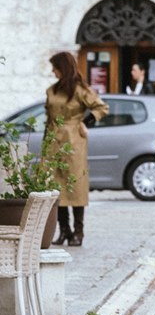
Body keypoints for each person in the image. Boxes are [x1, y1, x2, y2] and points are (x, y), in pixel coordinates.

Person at [45, 51, 109, 247]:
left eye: (55, 67)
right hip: (53, 139)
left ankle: (78, 232)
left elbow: (101, 108)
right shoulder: (52, 90)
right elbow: (48, 116)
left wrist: (86, 122)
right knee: (56, 186)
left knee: (76, 185)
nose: (52, 71)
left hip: (73, 140)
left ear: (62, 68)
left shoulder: (81, 90)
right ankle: (64, 230)